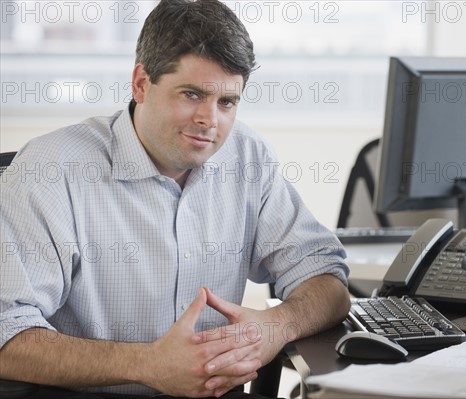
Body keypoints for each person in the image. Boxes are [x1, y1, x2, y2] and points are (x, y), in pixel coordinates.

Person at [0, 0, 350, 398]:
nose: (209, 120)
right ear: (140, 84)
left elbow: (326, 277)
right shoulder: (53, 169)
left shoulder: (247, 158)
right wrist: (148, 364)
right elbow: (5, 331)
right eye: (191, 94)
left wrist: (275, 327)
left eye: (226, 102)